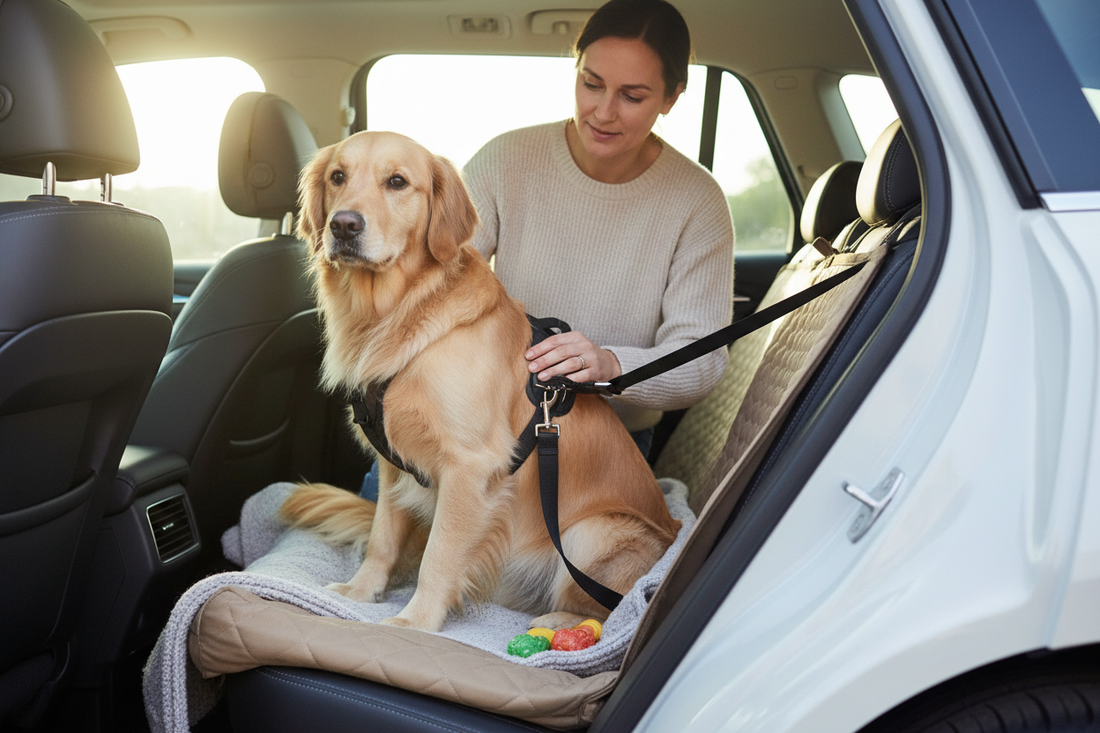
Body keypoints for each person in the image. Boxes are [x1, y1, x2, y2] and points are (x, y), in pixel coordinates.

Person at [361, 0, 733, 501]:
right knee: (378, 542)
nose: (602, 111)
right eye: (591, 83)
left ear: (671, 98)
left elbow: (701, 360)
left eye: (633, 95)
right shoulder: (505, 160)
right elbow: (432, 283)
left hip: (604, 445)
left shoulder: (698, 202)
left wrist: (611, 365)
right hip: (471, 418)